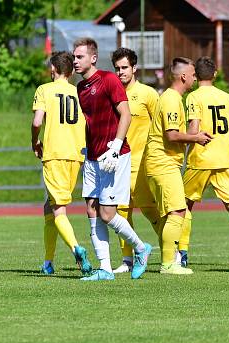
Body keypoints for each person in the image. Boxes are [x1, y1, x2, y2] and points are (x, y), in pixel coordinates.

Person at [73, 37, 152, 281]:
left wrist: (116, 146)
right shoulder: (81, 88)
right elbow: (91, 122)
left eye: (79, 57)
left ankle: (141, 248)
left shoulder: (109, 80)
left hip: (115, 156)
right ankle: (105, 268)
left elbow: (125, 115)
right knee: (91, 209)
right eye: (74, 57)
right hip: (93, 158)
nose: (75, 61)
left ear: (93, 58)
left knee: (108, 214)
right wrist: (88, 150)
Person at [181, 56, 229, 266]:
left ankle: (182, 252)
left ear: (196, 76)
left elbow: (194, 128)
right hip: (224, 159)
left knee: (184, 205)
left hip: (200, 158)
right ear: (215, 74)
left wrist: (183, 147)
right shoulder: (226, 97)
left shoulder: (193, 97)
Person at [144, 57, 212, 275]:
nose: (194, 77)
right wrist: (197, 138)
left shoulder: (171, 98)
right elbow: (172, 135)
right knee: (178, 211)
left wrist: (194, 129)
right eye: (193, 74)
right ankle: (168, 264)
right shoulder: (172, 99)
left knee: (168, 215)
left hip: (160, 162)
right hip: (163, 163)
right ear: (183, 76)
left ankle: (169, 259)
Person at [31, 51, 92, 275]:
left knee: (58, 210)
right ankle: (48, 263)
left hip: (55, 153)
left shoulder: (45, 89)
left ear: (54, 69)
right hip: (76, 155)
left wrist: (34, 141)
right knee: (50, 206)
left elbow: (37, 120)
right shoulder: (79, 92)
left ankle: (77, 249)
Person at [110, 47, 161, 274]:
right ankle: (127, 259)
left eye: (124, 68)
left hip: (142, 163)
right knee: (121, 212)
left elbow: (160, 126)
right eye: (117, 68)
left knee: (150, 211)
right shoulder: (111, 93)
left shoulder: (148, 94)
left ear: (134, 68)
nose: (120, 72)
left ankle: (173, 252)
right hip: (119, 163)